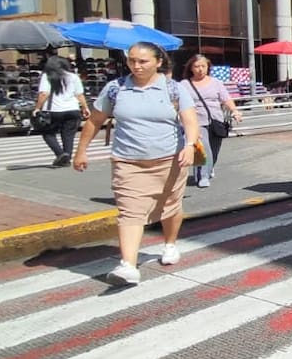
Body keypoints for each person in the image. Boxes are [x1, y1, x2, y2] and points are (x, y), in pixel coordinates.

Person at [72, 42, 201, 286]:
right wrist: (81, 151)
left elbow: (190, 120)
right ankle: (128, 265)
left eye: (143, 61)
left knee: (170, 205)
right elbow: (95, 121)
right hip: (127, 161)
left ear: (158, 62)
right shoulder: (116, 88)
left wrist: (189, 145)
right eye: (132, 60)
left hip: (169, 159)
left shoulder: (173, 89)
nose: (136, 66)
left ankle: (170, 243)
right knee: (129, 211)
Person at [182, 55, 242, 188]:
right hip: (196, 122)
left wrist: (234, 111)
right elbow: (178, 103)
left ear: (208, 67)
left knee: (214, 151)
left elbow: (226, 98)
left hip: (216, 120)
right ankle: (202, 176)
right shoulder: (184, 85)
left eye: (203, 66)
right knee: (204, 149)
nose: (200, 69)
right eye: (196, 66)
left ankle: (209, 168)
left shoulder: (216, 82)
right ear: (191, 68)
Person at [32, 55, 90, 168]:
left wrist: (37, 108)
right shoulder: (73, 76)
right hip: (73, 109)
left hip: (54, 110)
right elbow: (79, 94)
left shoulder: (47, 76)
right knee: (68, 135)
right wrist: (85, 107)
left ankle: (60, 154)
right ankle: (66, 158)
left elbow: (44, 93)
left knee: (48, 133)